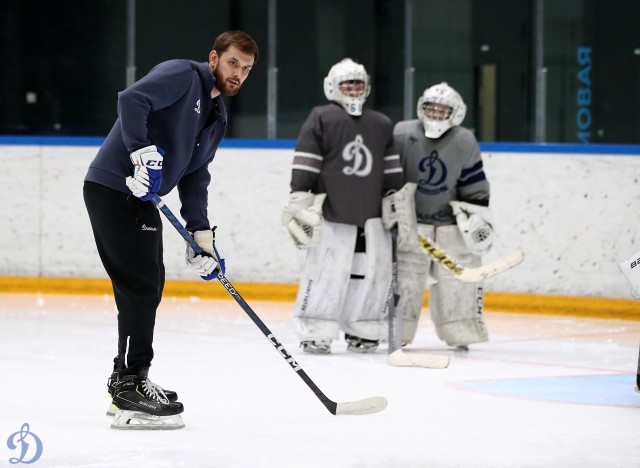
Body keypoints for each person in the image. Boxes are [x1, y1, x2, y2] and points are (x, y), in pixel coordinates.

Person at [83, 31, 259, 430]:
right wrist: (139, 151)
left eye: (246, 70)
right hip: (114, 187)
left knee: (149, 284)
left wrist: (201, 236)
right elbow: (132, 99)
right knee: (141, 285)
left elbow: (196, 176)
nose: (239, 74)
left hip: (140, 199)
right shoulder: (183, 75)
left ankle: (129, 377)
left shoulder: (218, 118)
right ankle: (128, 384)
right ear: (214, 58)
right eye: (233, 63)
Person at [282, 58, 403, 355]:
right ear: (333, 87)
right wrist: (300, 200)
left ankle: (364, 329)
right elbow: (306, 163)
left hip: (373, 218)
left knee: (372, 274)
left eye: (358, 84)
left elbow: (391, 172)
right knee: (325, 272)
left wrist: (394, 201)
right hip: (331, 214)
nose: (353, 89)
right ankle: (316, 329)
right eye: (348, 84)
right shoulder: (321, 117)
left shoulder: (381, 123)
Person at [388, 82, 493, 351]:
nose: (435, 114)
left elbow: (474, 184)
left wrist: (475, 217)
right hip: (412, 225)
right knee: (406, 280)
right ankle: (398, 330)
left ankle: (460, 329)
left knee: (458, 279)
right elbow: (388, 176)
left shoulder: (464, 139)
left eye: (442, 109)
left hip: (450, 228)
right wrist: (389, 208)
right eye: (430, 108)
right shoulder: (402, 132)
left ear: (456, 113)